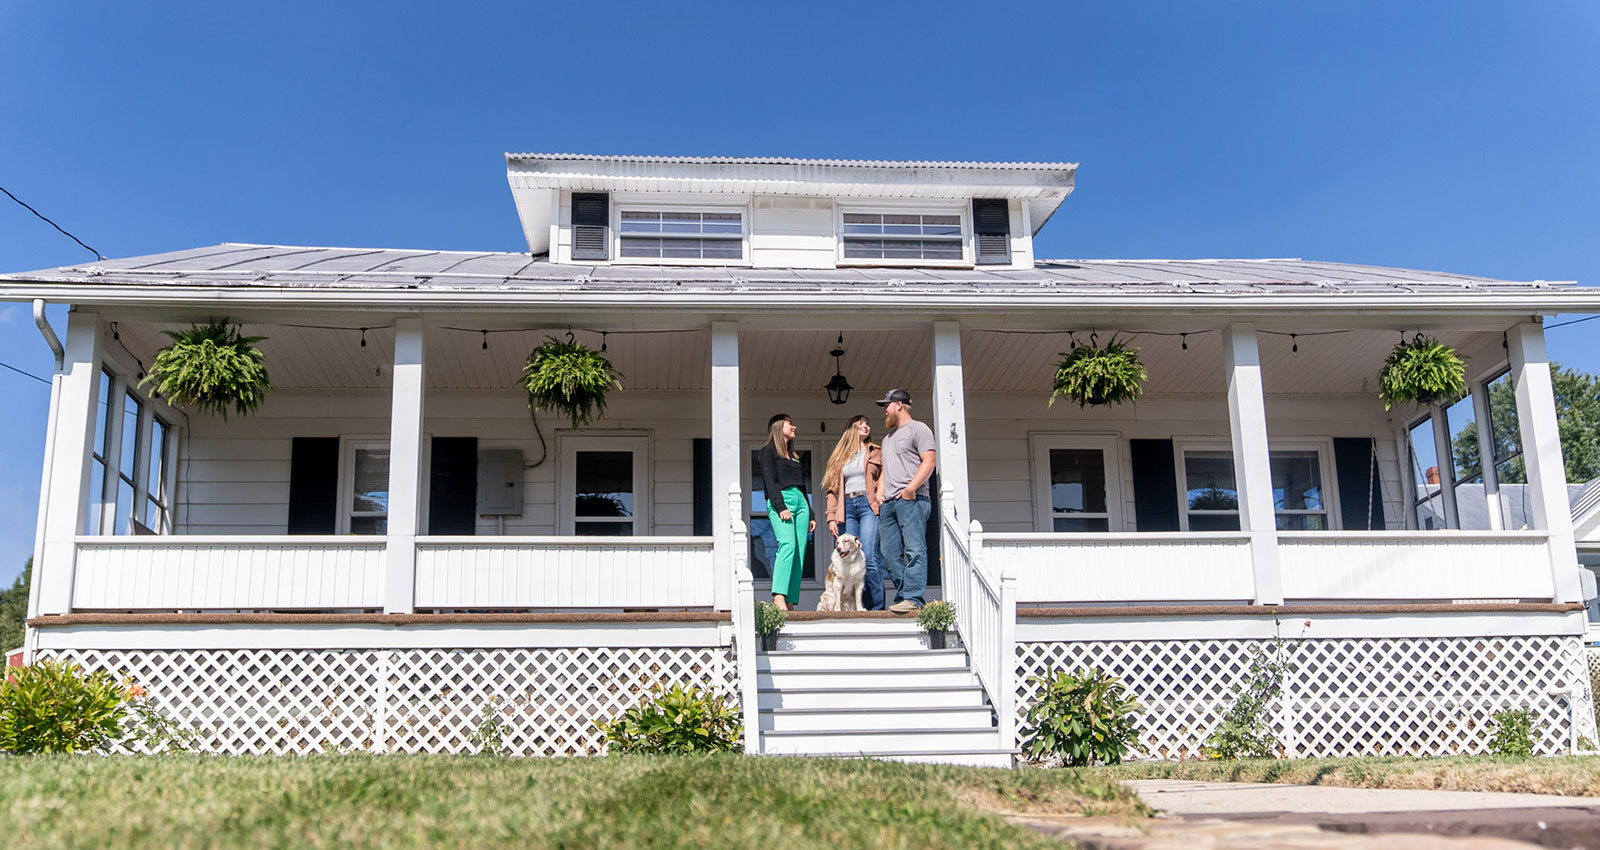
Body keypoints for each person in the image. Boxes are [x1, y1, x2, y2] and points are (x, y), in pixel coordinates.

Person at [874, 389, 937, 613]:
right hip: (889, 503)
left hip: (912, 500)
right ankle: (905, 595)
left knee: (914, 549)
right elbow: (885, 471)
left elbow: (929, 461)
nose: (885, 410)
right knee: (889, 554)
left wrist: (911, 488)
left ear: (899, 405)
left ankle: (913, 598)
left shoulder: (919, 429)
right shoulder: (887, 439)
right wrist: (879, 494)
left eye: (887, 405)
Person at [823, 415, 886, 610]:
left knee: (868, 555)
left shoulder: (875, 452)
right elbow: (832, 490)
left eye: (868, 423)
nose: (866, 426)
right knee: (849, 558)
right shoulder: (840, 456)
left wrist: (878, 496)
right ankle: (856, 606)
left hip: (868, 505)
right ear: (851, 428)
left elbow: (885, 474)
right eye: (861, 424)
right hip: (847, 507)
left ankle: (876, 608)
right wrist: (831, 517)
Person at [757, 413, 813, 611]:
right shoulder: (768, 452)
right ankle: (778, 595)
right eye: (791, 424)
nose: (794, 427)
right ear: (779, 427)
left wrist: (811, 513)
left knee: (800, 550)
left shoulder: (793, 456)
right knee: (787, 544)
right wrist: (780, 506)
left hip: (800, 503)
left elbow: (802, 486)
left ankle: (790, 599)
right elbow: (769, 481)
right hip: (782, 499)